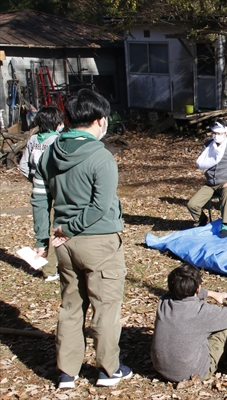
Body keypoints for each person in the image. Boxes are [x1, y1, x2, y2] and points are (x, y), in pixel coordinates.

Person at [31, 89, 131, 389]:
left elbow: (39, 197)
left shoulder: (48, 151)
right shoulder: (101, 156)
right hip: (98, 240)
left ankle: (67, 372)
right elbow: (100, 205)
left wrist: (43, 236)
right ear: (101, 121)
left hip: (64, 245)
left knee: (71, 306)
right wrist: (72, 227)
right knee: (105, 307)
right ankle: (108, 369)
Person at [151, 263, 227, 383]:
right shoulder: (203, 312)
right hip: (194, 373)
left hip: (160, 368)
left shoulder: (163, 301)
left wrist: (212, 294)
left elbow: (184, 291)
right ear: (198, 288)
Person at [19, 106, 65, 282]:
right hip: (54, 187)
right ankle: (51, 268)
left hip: (38, 188)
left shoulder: (32, 140)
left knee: (41, 226)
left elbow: (23, 165)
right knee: (56, 226)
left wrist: (33, 179)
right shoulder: (57, 140)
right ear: (57, 124)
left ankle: (41, 265)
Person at [187, 118, 227, 238]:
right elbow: (203, 162)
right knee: (192, 204)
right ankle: (203, 220)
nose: (216, 136)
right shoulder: (207, 145)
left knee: (226, 194)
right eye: (214, 133)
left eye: (219, 133)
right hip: (210, 183)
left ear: (225, 133)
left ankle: (225, 224)